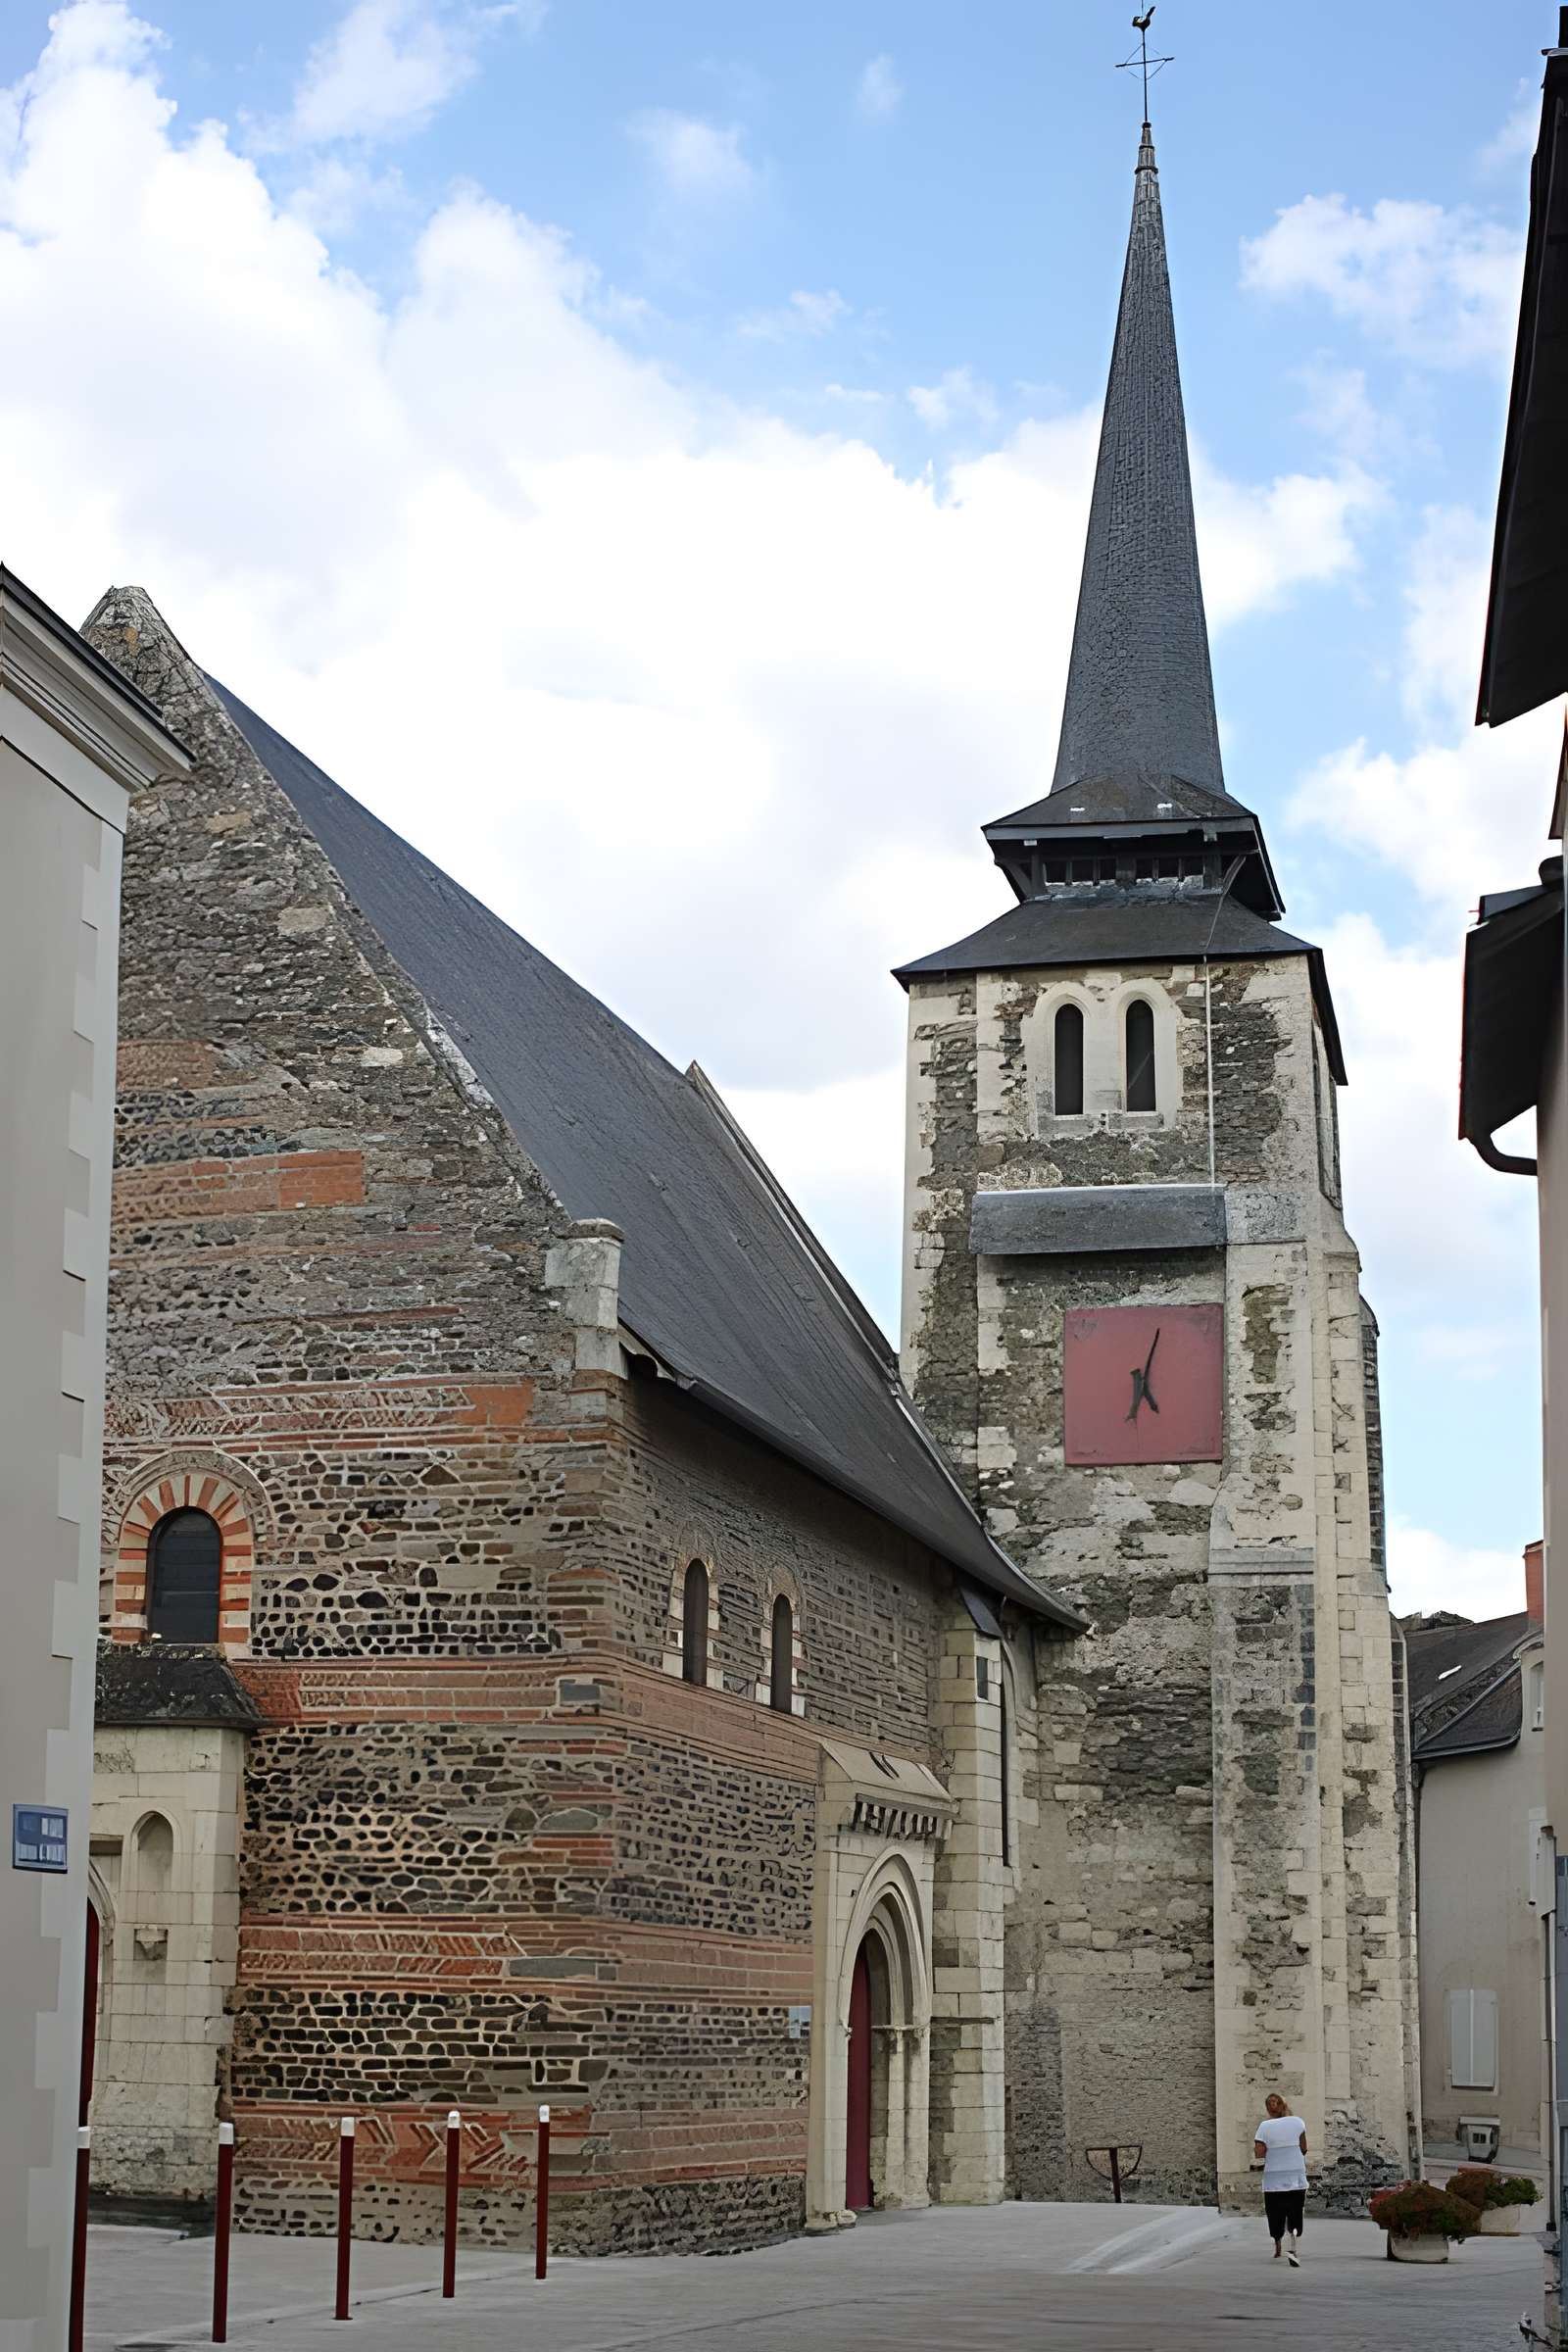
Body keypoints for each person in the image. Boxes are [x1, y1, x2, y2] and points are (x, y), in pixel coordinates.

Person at [1253, 2091, 1308, 2266]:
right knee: (1294, 2211)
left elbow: (1260, 2153)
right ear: (1285, 2105)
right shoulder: (1298, 2122)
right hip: (1296, 2176)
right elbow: (1304, 2148)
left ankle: (1278, 2245)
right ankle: (1293, 2244)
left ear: (1269, 2109)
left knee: (1275, 2214)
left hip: (1274, 2179)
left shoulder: (1264, 2126)